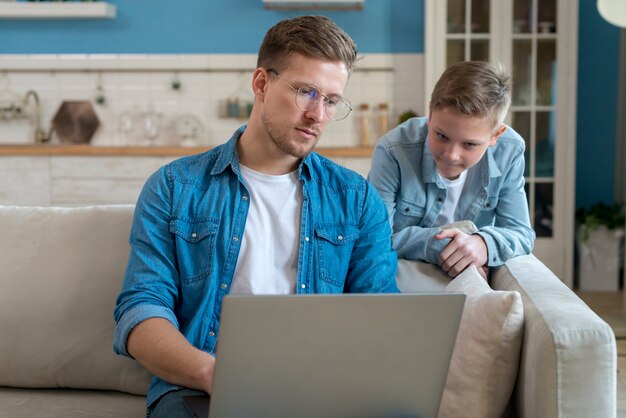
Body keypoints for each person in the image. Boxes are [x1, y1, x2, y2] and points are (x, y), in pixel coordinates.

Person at [113, 15, 398, 417]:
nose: (318, 115)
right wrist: (215, 374)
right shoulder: (175, 187)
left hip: (319, 387)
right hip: (201, 388)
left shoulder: (356, 199)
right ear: (261, 84)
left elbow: (381, 315)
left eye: (331, 100)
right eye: (306, 92)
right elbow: (141, 308)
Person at [368, 61, 535, 280]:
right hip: (406, 269)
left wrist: (482, 243)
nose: (451, 155)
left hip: (472, 268)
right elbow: (375, 238)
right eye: (441, 136)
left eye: (469, 144)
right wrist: (446, 245)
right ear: (430, 113)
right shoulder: (393, 150)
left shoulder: (510, 151)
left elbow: (522, 233)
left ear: (496, 136)